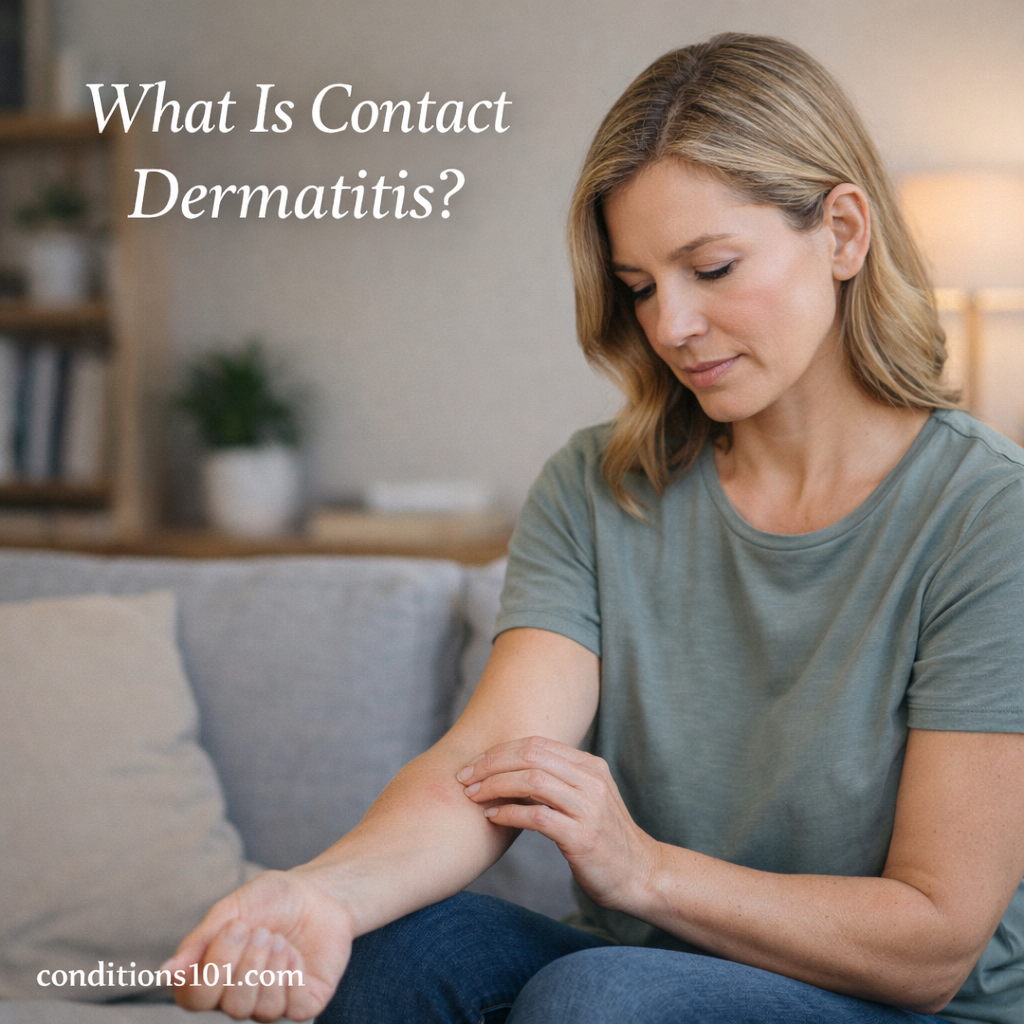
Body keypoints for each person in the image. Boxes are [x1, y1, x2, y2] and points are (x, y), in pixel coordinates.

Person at [163, 33, 1024, 1024]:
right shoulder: (598, 484)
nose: (671, 327)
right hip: (645, 976)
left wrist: (643, 870)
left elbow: (932, 937)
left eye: (711, 266)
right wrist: (321, 892)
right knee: (391, 954)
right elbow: (481, 763)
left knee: (600, 996)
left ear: (841, 230)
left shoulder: (987, 513)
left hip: (906, 1008)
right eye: (641, 286)